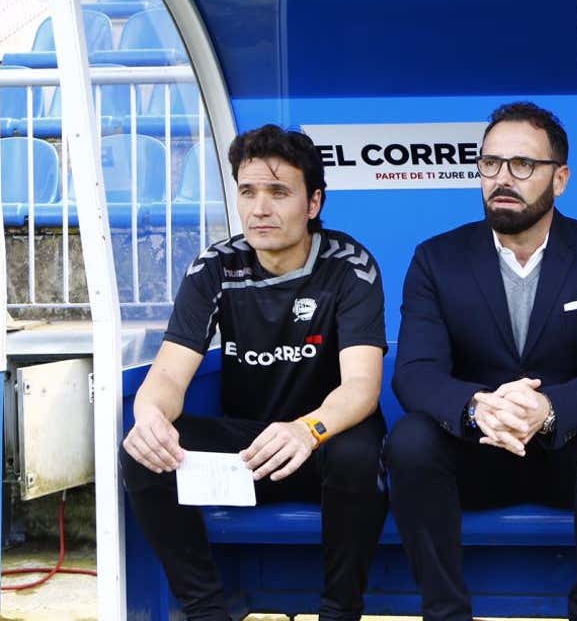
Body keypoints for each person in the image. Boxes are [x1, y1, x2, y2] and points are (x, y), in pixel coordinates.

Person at [384, 101, 577, 621]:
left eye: (522, 165)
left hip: (565, 456)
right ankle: (445, 613)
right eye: (490, 164)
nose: (502, 178)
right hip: (475, 452)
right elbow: (414, 373)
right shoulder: (436, 259)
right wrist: (478, 409)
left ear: (561, 178)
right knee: (410, 440)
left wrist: (544, 410)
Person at [120, 124, 389, 621]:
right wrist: (150, 414)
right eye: (248, 191)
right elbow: (169, 375)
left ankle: (339, 611)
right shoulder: (215, 267)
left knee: (358, 452)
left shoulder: (349, 265)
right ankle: (205, 612)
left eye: (278, 192)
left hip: (321, 444)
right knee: (143, 451)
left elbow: (361, 388)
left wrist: (306, 431)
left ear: (313, 203)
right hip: (246, 455)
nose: (259, 208)